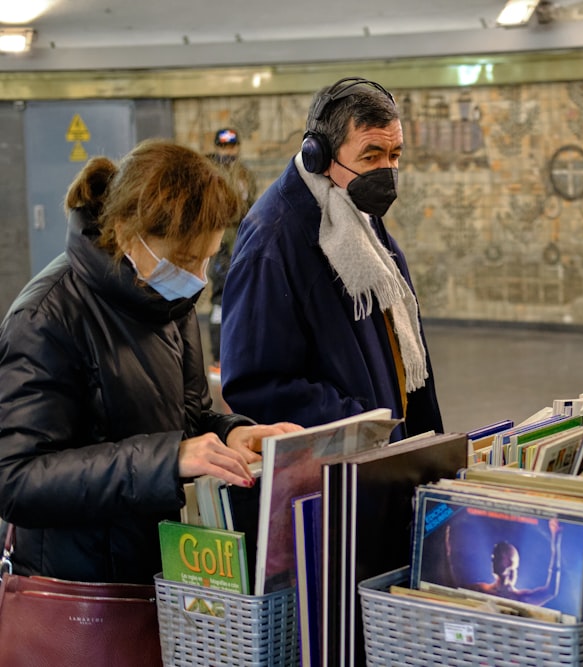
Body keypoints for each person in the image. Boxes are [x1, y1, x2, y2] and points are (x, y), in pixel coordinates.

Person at [0, 140, 301, 585]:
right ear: (125, 232)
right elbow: (17, 479)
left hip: (161, 567)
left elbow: (189, 416)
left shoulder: (166, 299)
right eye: (183, 260)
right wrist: (168, 460)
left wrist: (230, 433)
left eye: (208, 258)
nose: (198, 277)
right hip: (85, 588)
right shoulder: (47, 317)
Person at [220, 77, 443, 439]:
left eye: (395, 155)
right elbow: (256, 385)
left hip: (385, 453)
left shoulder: (355, 215)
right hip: (339, 471)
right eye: (370, 156)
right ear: (318, 156)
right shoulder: (272, 243)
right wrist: (361, 425)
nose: (386, 171)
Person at [206, 127, 257, 366]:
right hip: (217, 246)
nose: (229, 151)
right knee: (220, 299)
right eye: (224, 146)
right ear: (217, 147)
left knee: (244, 296)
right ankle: (218, 355)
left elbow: (252, 208)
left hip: (241, 242)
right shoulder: (208, 173)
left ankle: (243, 352)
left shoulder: (244, 175)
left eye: (232, 146)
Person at [445, 518, 563, 606]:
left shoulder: (521, 599)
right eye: (494, 556)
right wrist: (448, 549)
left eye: (499, 556)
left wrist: (555, 542)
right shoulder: (480, 590)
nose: (494, 560)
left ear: (511, 563)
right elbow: (452, 588)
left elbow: (550, 591)